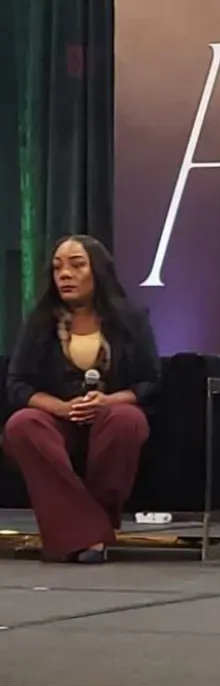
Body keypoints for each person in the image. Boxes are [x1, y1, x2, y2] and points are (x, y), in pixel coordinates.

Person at [3, 236, 160, 563]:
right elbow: (17, 385)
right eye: (58, 267)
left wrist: (108, 402)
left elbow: (150, 382)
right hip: (59, 419)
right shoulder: (40, 322)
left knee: (126, 420)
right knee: (22, 424)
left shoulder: (131, 318)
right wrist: (60, 408)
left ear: (97, 271)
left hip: (111, 414)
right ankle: (91, 535)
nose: (65, 274)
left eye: (76, 265)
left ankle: (81, 532)